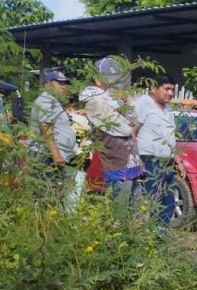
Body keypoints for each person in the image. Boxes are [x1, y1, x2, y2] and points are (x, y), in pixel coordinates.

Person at [80, 56, 141, 203]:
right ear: (98, 80)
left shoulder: (116, 99)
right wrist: (132, 126)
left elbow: (136, 120)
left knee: (137, 205)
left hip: (132, 161)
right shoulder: (95, 101)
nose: (116, 85)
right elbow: (125, 130)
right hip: (116, 162)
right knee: (120, 206)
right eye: (112, 81)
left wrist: (127, 100)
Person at [133, 73, 185, 228]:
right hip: (149, 161)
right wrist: (136, 159)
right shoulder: (143, 103)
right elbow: (132, 132)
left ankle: (160, 235)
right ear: (154, 88)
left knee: (168, 201)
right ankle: (148, 234)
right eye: (166, 89)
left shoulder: (168, 109)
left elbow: (169, 137)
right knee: (152, 201)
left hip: (167, 162)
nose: (170, 93)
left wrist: (178, 161)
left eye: (172, 90)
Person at [29, 69, 83, 207]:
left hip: (54, 157)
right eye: (60, 83)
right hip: (46, 156)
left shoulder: (54, 101)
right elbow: (46, 128)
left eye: (65, 83)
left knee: (53, 195)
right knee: (46, 196)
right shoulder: (46, 101)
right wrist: (56, 154)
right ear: (48, 84)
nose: (64, 86)